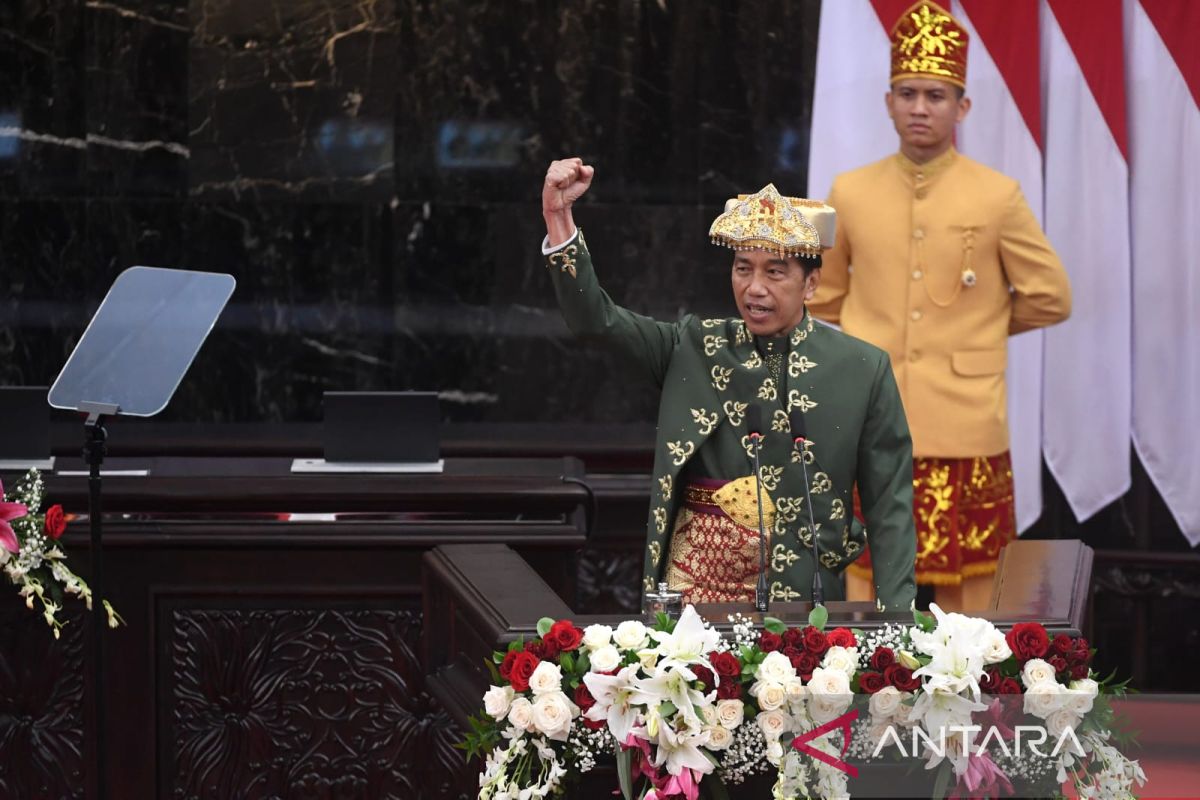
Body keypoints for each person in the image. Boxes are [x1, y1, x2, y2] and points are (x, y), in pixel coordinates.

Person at [541, 158, 916, 611]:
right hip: (693, 587)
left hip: (800, 591)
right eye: (743, 269)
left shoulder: (862, 369)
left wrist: (898, 623)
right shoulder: (693, 345)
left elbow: (888, 508)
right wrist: (559, 219)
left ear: (811, 283)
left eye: (774, 272)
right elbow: (596, 322)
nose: (754, 288)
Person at [807, 1, 1072, 611]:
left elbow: (1050, 296)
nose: (920, 107)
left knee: (972, 584)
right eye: (907, 93)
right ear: (888, 101)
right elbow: (827, 298)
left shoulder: (996, 194)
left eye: (935, 94)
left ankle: (975, 702)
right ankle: (859, 692)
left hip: (966, 418)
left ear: (962, 106)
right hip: (872, 413)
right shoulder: (851, 190)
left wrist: (978, 327)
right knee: (866, 577)